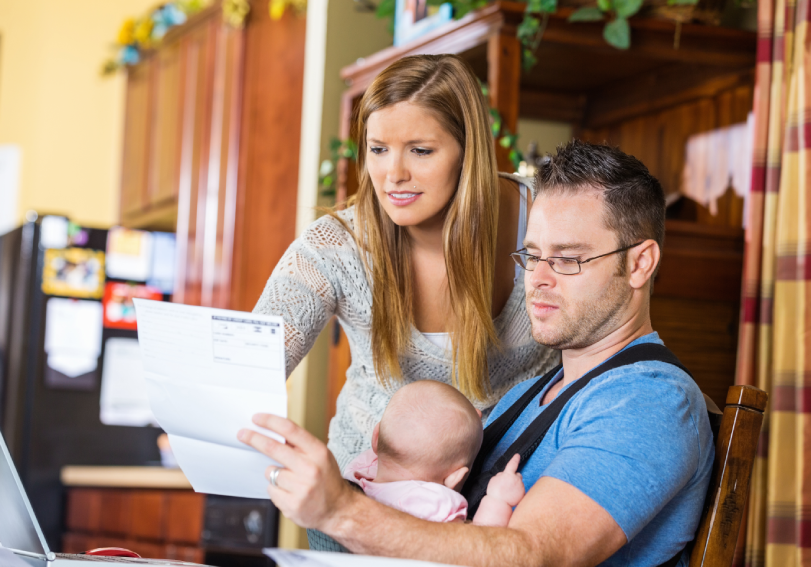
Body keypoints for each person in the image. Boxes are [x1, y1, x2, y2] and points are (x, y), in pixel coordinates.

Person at [239, 140, 715, 566]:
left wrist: (341, 512)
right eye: (532, 256)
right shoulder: (531, 393)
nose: (539, 279)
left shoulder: (649, 403)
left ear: (640, 263)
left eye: (568, 259)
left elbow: (533, 556)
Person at [251, 52, 559, 538]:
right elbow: (252, 364)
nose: (392, 174)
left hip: (505, 506)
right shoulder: (336, 247)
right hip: (363, 504)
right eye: (378, 149)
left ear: (467, 151)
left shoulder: (547, 220)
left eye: (420, 150)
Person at [342, 379, 523, 527]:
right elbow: (475, 548)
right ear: (455, 478)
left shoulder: (356, 475)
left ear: (375, 438)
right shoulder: (432, 506)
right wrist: (498, 501)